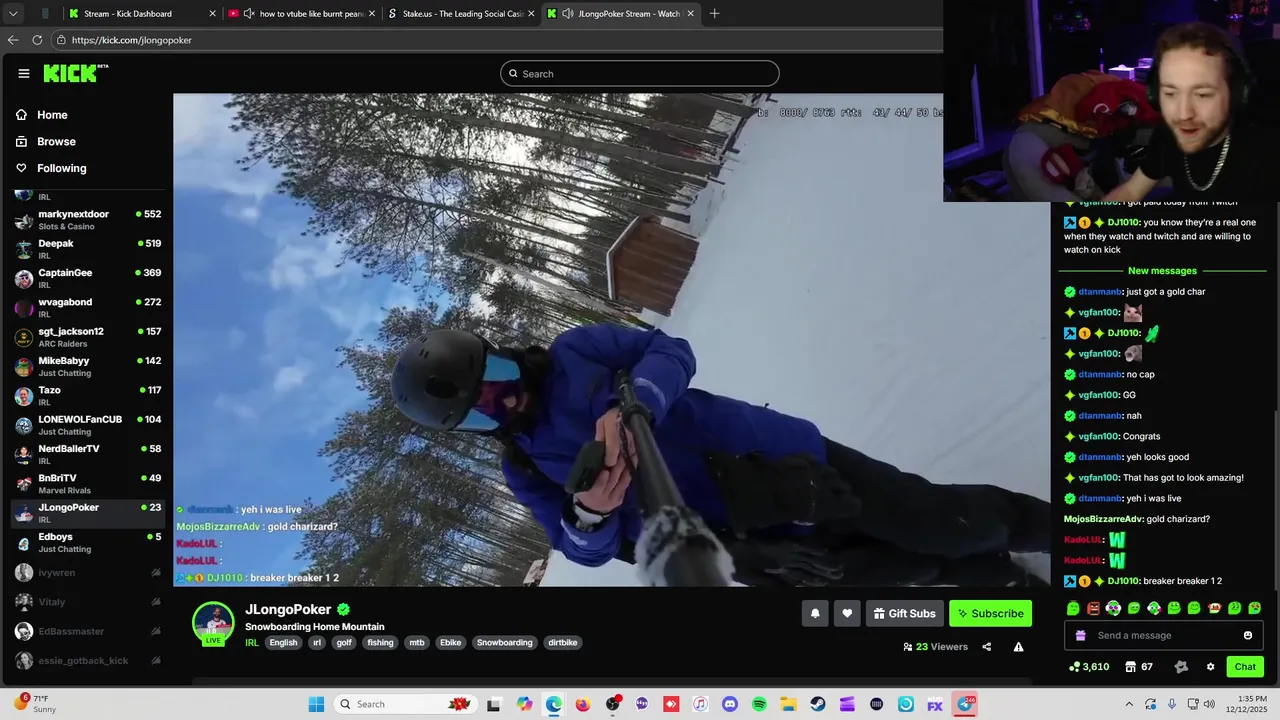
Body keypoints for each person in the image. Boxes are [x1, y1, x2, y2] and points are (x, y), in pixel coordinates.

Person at [391, 325, 1051, 587]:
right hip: (745, 541)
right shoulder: (524, 468)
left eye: (497, 377)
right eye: (482, 409)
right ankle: (1013, 590)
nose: (505, 400)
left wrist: (635, 403)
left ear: (501, 352)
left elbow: (670, 350)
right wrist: (591, 514)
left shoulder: (575, 351)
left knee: (942, 524)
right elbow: (582, 549)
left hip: (789, 461)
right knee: (907, 580)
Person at [1104, 22, 1279, 202]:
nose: (1183, 114)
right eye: (1171, 94)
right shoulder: (1169, 134)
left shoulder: (1267, 154)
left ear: (1236, 94)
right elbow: (1130, 192)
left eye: (1202, 95)